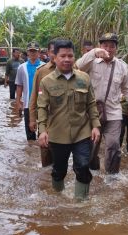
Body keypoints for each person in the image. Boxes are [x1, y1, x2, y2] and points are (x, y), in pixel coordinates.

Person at [37, 39, 101, 201]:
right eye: (63, 56)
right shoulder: (47, 82)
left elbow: (91, 104)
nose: (67, 59)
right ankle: (57, 198)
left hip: (82, 132)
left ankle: (80, 203)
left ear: (74, 57)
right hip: (58, 135)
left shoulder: (84, 78)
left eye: (70, 56)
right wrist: (42, 130)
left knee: (83, 166)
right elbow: (42, 108)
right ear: (55, 57)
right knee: (59, 170)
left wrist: (95, 126)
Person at [76, 33, 128, 174]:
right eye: (105, 45)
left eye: (112, 46)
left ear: (116, 48)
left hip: (113, 112)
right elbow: (77, 66)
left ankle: (112, 175)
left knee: (113, 145)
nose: (108, 49)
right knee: (91, 146)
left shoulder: (122, 67)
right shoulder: (91, 62)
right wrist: (93, 52)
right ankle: (93, 171)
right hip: (92, 113)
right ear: (100, 46)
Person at [29, 40, 57, 167]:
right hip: (45, 118)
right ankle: (46, 182)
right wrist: (32, 119)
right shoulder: (41, 71)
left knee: (61, 155)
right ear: (48, 52)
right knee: (45, 152)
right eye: (53, 51)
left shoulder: (71, 69)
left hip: (63, 120)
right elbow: (34, 96)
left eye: (59, 51)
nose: (56, 54)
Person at [15, 42, 44, 140]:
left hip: (42, 104)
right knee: (30, 134)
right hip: (27, 104)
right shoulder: (21, 67)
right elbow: (19, 86)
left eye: (34, 51)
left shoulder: (44, 67)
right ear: (27, 52)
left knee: (43, 131)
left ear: (38, 52)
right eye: (30, 51)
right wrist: (18, 102)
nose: (32, 53)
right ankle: (30, 151)